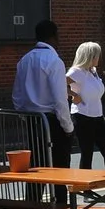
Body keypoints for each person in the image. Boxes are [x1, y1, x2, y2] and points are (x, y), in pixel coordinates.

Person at [10, 20, 76, 168]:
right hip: (51, 121)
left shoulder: (24, 60)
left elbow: (16, 96)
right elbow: (60, 99)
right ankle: (59, 193)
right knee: (60, 170)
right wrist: (68, 127)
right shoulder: (54, 61)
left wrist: (24, 116)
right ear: (54, 37)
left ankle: (34, 192)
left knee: (37, 167)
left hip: (32, 120)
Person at [66, 42, 105, 170]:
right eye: (96, 55)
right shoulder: (77, 71)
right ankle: (84, 188)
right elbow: (60, 83)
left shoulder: (93, 71)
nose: (99, 58)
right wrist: (74, 95)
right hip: (82, 116)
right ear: (89, 56)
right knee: (87, 152)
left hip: (97, 116)